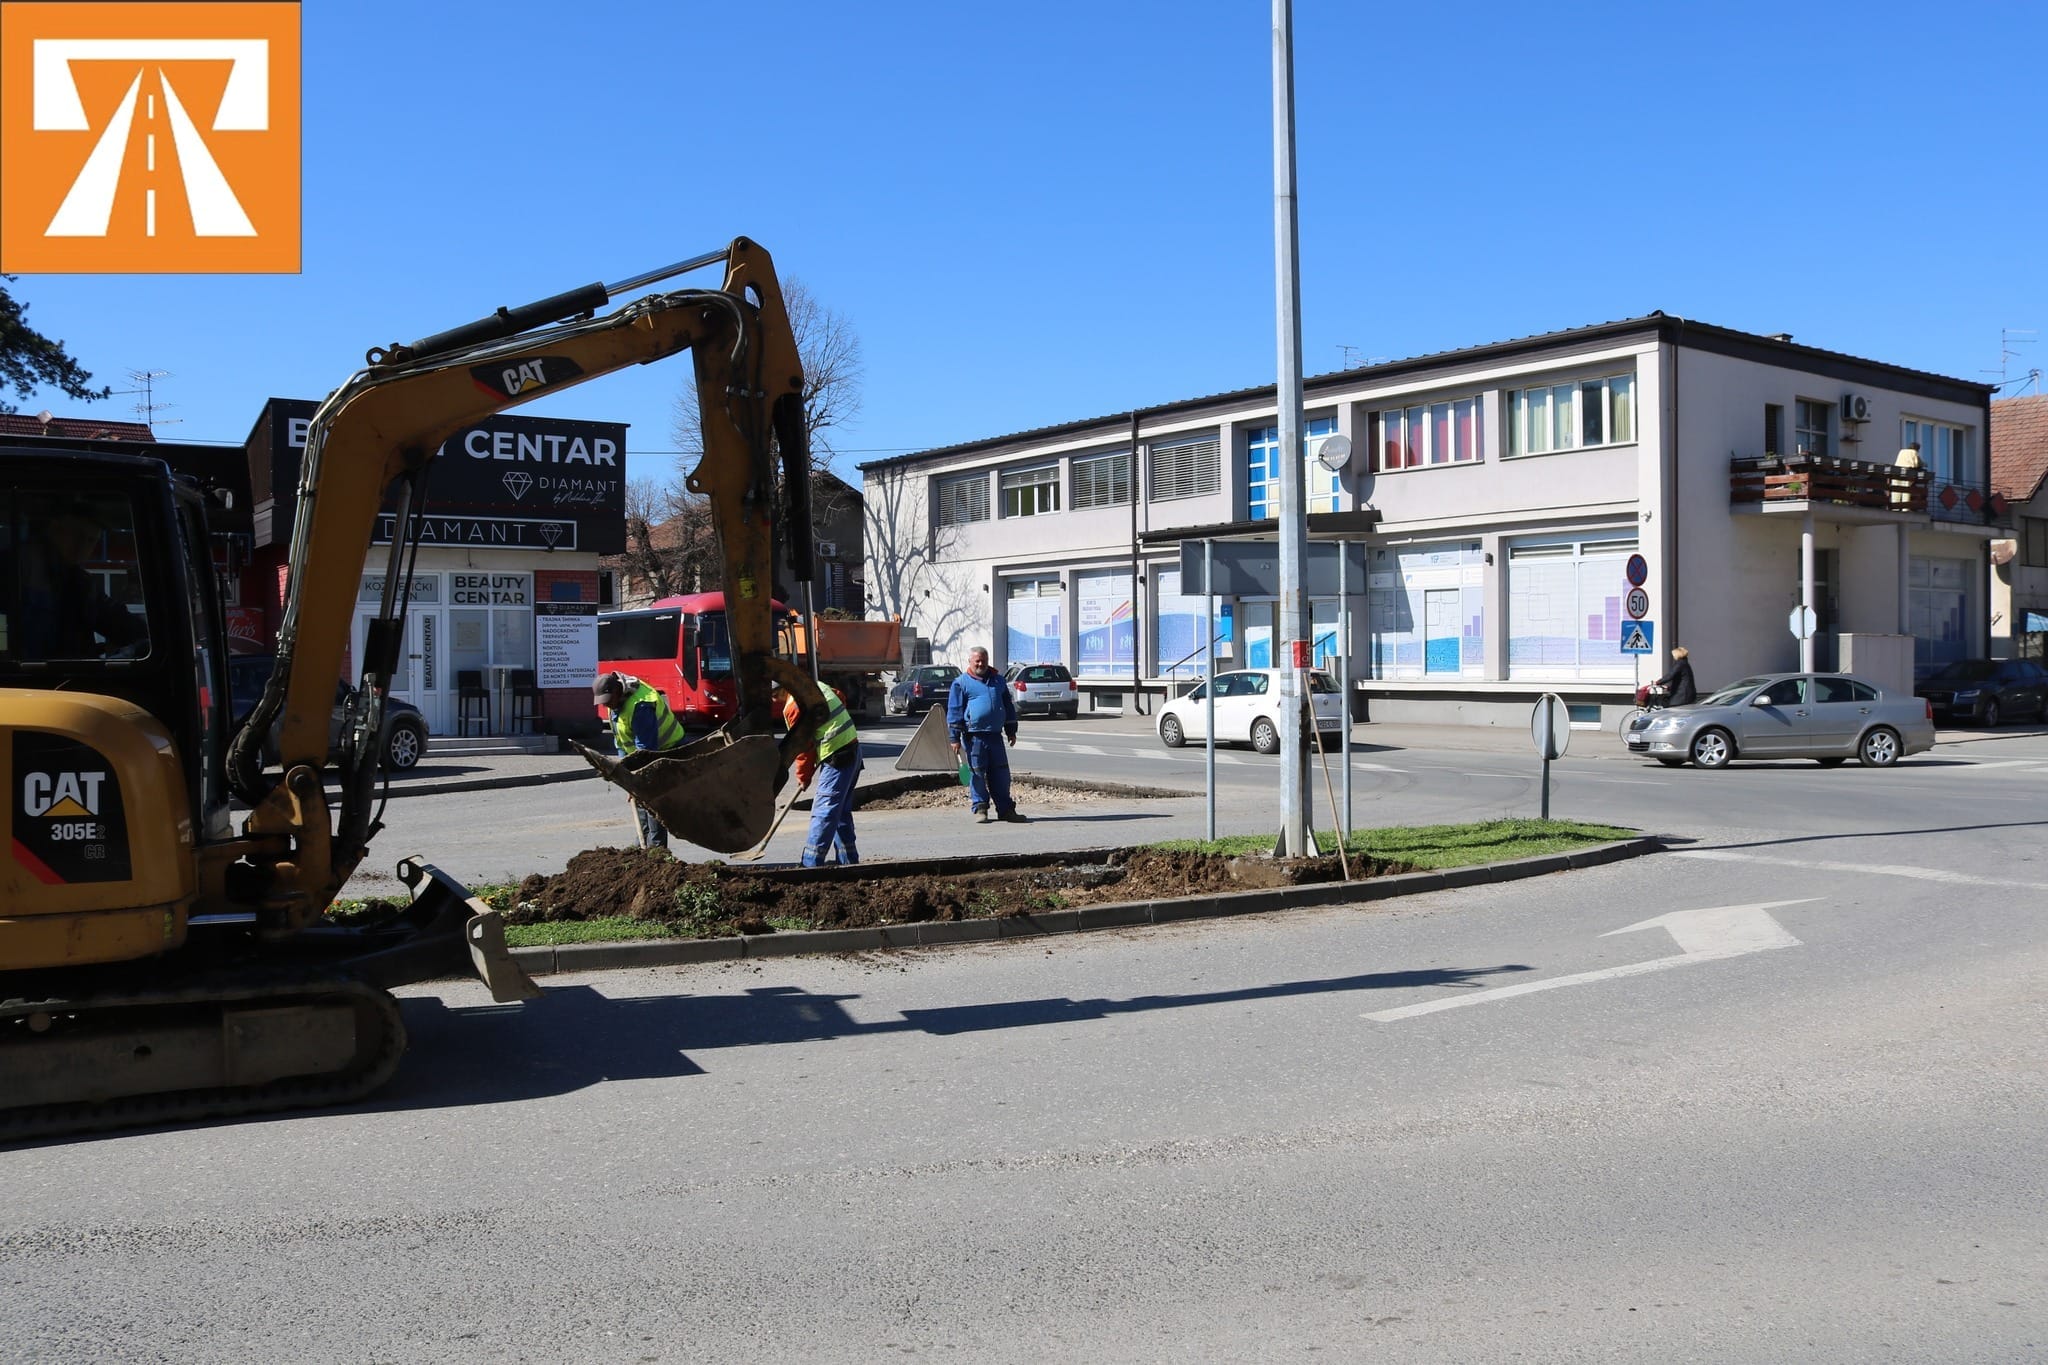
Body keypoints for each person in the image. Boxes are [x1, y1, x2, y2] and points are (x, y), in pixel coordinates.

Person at [16, 496, 147, 660]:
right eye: (77, 536)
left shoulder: (81, 584)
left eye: (91, 540)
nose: (83, 547)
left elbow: (116, 619)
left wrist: (151, 636)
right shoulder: (12, 569)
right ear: (55, 529)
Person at [593, 669, 686, 849]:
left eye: (607, 701)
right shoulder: (616, 704)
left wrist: (636, 780)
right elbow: (621, 741)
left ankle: (657, 851)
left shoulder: (641, 706)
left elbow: (646, 750)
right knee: (640, 796)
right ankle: (641, 847)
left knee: (651, 798)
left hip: (667, 750)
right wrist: (627, 776)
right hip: (644, 753)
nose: (606, 706)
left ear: (617, 691)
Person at [776, 678, 861, 866]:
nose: (774, 700)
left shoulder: (793, 707)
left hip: (837, 756)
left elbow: (802, 747)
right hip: (852, 748)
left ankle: (811, 864)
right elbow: (840, 696)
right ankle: (849, 862)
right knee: (840, 812)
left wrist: (803, 777)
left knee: (824, 810)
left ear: (783, 689)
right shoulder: (815, 685)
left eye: (775, 695)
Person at [947, 646, 1025, 824]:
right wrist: (954, 737)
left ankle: (1006, 810)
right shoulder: (960, 683)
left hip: (995, 736)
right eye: (977, 661)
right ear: (970, 662)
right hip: (974, 737)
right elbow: (954, 711)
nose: (980, 664)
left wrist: (1011, 730)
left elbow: (1008, 706)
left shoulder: (998, 681)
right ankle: (980, 808)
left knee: (1001, 774)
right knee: (977, 774)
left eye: (983, 660)